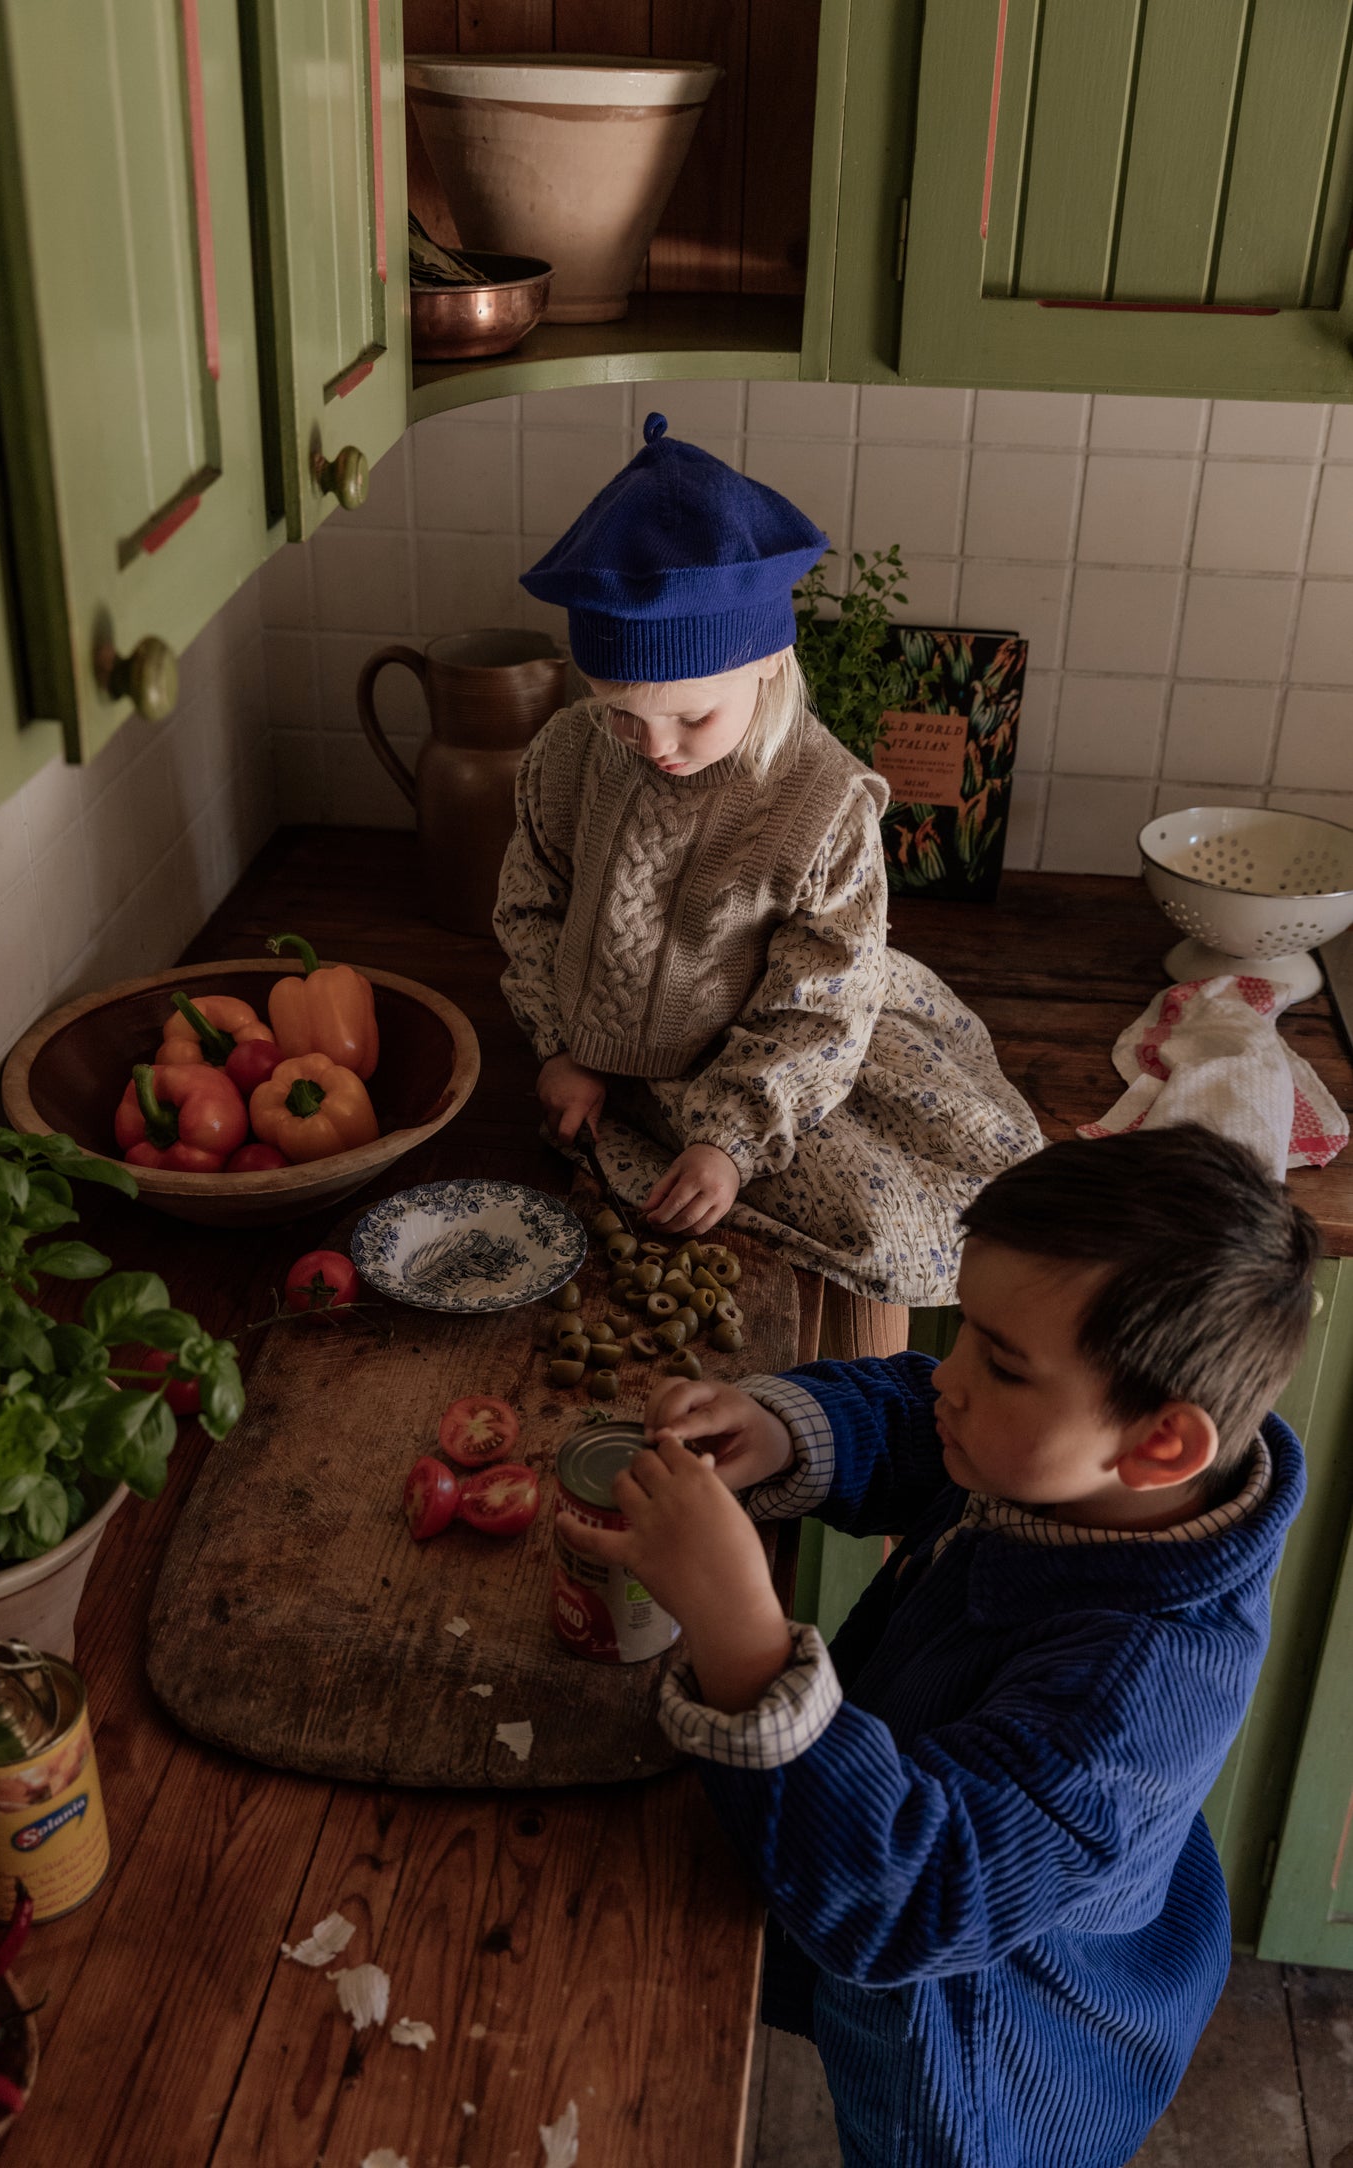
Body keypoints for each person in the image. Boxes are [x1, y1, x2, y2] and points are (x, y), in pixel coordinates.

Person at [559, 1125, 1319, 2168]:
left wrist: (740, 1637)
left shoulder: (1130, 1697)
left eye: (998, 1361)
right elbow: (926, 1421)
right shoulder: (1083, 1464)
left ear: (1159, 1442)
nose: (948, 1377)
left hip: (986, 2037)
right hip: (943, 1883)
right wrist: (785, 1428)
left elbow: (910, 1897)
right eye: (965, 1328)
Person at [495, 412, 1041, 1307]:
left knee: (933, 1215)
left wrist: (730, 1140)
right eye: (620, 712)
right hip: (625, 1065)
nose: (654, 745)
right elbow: (529, 910)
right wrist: (561, 1050)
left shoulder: (822, 804)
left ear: (767, 664)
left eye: (690, 717)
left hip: (772, 1050)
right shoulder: (566, 757)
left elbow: (820, 998)